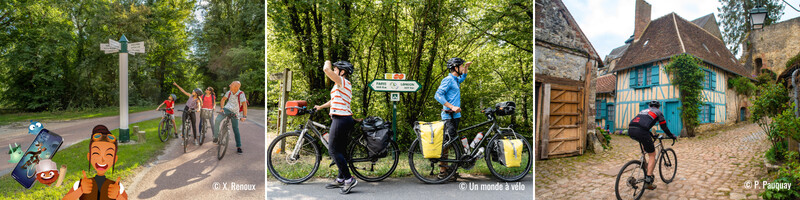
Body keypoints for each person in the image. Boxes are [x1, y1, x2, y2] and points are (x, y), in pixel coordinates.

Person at [314, 60, 358, 194]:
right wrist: (321, 107)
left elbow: (326, 70)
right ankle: (340, 178)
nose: (333, 70)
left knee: (333, 150)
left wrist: (327, 62)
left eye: (336, 69)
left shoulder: (343, 81)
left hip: (341, 119)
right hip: (343, 118)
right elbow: (333, 100)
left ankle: (349, 180)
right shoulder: (340, 85)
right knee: (340, 150)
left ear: (342, 72)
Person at [62, 125, 128, 200]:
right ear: (89, 156)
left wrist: (118, 196)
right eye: (96, 153)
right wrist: (81, 190)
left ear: (115, 159)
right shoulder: (80, 184)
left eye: (109, 154)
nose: (102, 160)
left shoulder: (117, 186)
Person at [434, 57, 472, 181]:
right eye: (460, 66)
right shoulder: (448, 79)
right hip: (448, 117)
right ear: (455, 68)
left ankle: (450, 170)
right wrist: (452, 107)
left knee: (452, 144)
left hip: (455, 117)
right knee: (447, 143)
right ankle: (442, 172)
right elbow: (438, 95)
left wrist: (466, 67)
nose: (462, 68)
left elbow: (463, 77)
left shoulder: (455, 80)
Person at [627, 100, 676, 190]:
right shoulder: (658, 112)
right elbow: (664, 127)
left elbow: (642, 125)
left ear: (649, 106)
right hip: (641, 131)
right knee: (652, 155)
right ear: (658, 107)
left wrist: (652, 135)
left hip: (631, 129)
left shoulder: (643, 111)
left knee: (645, 147)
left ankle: (645, 166)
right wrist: (671, 135)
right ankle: (648, 180)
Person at [213, 81, 248, 155]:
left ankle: (238, 146)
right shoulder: (229, 92)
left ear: (236, 87)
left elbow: (244, 105)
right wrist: (222, 108)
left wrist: (244, 116)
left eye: (231, 85)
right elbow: (223, 99)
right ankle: (216, 136)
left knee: (236, 129)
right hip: (226, 109)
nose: (229, 85)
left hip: (235, 112)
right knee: (217, 120)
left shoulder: (241, 94)